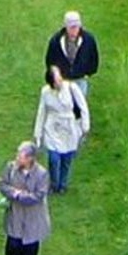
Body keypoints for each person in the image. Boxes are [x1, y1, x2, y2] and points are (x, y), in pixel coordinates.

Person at [0, 142, 50, 255]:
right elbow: (2, 184)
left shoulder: (41, 174)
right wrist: (14, 193)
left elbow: (38, 196)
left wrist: (21, 196)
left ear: (30, 158)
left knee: (30, 246)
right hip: (15, 213)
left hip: (33, 215)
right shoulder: (10, 168)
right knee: (12, 245)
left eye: (20, 156)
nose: (17, 159)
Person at [34, 65, 90, 194]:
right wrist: (38, 134)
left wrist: (85, 126)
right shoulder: (45, 92)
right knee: (54, 158)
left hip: (69, 127)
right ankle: (54, 183)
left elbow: (83, 107)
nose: (60, 82)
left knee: (67, 158)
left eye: (60, 78)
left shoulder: (71, 88)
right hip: (52, 127)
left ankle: (63, 184)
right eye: (57, 80)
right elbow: (41, 112)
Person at [45, 10, 99, 98]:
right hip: (62, 79)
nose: (74, 30)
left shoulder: (88, 40)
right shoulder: (56, 40)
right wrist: (56, 74)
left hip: (80, 79)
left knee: (79, 105)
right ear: (66, 26)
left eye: (76, 27)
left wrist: (87, 73)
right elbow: (50, 60)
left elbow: (94, 58)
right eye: (71, 27)